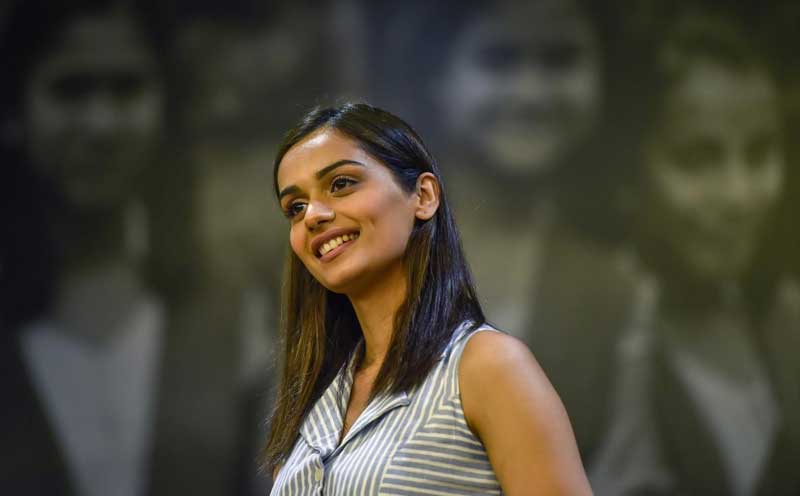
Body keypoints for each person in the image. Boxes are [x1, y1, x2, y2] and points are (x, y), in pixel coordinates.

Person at [0, 1, 267, 494]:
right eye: (70, 90)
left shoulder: (234, 316)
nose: (101, 124)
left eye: (126, 89)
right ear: (14, 112)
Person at [262, 102, 593, 495]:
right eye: (295, 208)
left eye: (341, 184)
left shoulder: (487, 366)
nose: (313, 215)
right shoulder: (318, 402)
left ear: (423, 196)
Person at [588, 6, 800, 495]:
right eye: (698, 159)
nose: (740, 194)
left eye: (761, 152)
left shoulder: (784, 317)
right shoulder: (592, 339)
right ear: (627, 172)